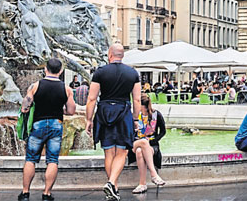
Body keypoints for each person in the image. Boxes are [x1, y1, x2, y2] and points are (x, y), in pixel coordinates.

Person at [85, 43, 141, 201]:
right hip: (123, 112)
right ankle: (112, 184)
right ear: (122, 55)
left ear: (110, 54)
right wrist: (136, 119)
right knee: (122, 151)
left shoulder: (100, 72)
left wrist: (89, 119)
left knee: (108, 151)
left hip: (104, 111)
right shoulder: (132, 73)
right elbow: (136, 99)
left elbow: (91, 98)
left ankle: (113, 187)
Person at [18, 58, 76, 201]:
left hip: (38, 125)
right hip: (56, 124)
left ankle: (25, 193)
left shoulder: (36, 86)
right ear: (61, 71)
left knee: (31, 159)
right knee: (52, 160)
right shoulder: (66, 89)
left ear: (45, 69)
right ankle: (46, 194)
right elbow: (71, 111)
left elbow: (24, 107)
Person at [129, 94, 166, 193]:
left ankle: (142, 184)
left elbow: (163, 131)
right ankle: (154, 175)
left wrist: (154, 140)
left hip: (151, 145)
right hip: (135, 142)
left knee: (140, 152)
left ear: (142, 106)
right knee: (143, 143)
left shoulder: (156, 115)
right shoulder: (134, 116)